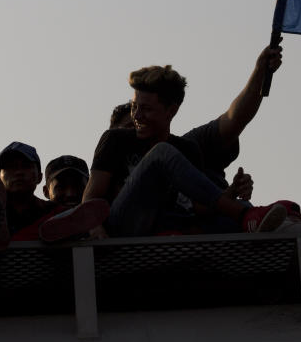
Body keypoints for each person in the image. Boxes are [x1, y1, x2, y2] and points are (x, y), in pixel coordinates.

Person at [83, 56, 290, 238]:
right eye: (135, 106)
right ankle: (245, 215)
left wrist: (230, 192)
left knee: (238, 213)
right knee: (161, 153)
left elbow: (200, 207)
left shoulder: (187, 149)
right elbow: (91, 197)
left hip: (171, 227)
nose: (136, 116)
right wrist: (95, 229)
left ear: (171, 111)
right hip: (125, 227)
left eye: (145, 109)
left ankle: (275, 223)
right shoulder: (115, 139)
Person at [0, 142, 108, 261]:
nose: (18, 173)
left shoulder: (51, 209)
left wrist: (94, 227)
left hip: (34, 274)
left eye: (25, 166)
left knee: (58, 222)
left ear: (38, 177)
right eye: (10, 167)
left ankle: (36, 233)